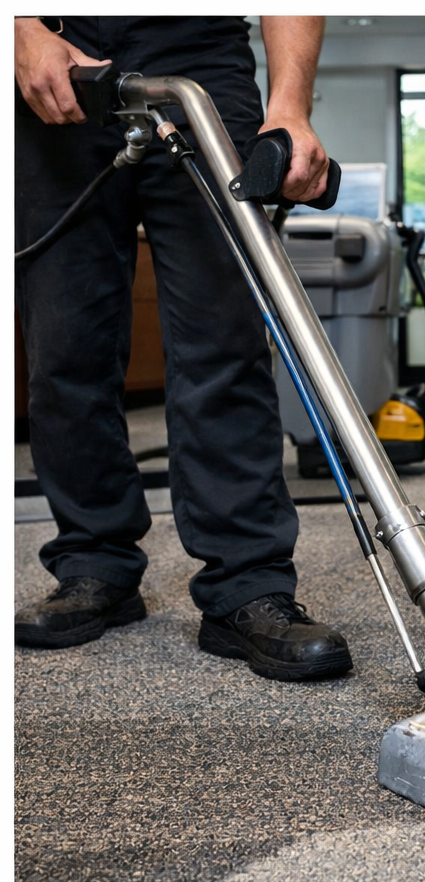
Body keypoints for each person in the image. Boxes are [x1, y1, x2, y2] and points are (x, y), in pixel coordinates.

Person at [14, 15, 353, 683]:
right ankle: (93, 563)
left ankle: (245, 587)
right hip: (55, 52)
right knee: (63, 344)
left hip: (199, 54)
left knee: (222, 337)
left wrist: (290, 106)